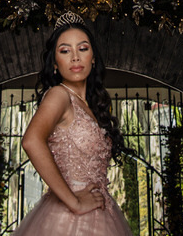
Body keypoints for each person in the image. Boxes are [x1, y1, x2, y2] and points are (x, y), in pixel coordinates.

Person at [14, 12, 133, 236]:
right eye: (65, 51)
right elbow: (31, 141)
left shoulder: (91, 106)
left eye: (83, 48)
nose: (75, 57)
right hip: (69, 217)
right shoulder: (60, 95)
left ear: (93, 57)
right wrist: (74, 202)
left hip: (102, 216)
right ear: (56, 64)